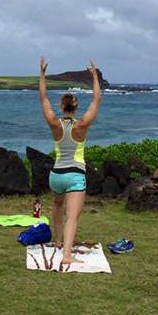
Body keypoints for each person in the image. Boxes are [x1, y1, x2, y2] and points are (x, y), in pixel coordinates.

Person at [38, 57, 101, 264]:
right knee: (72, 216)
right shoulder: (81, 126)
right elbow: (96, 100)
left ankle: (58, 241)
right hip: (75, 176)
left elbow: (43, 98)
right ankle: (66, 255)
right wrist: (94, 76)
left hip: (56, 175)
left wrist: (42, 75)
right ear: (75, 106)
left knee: (57, 205)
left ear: (61, 106)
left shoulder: (54, 124)